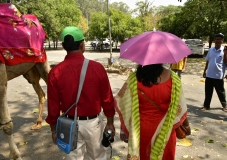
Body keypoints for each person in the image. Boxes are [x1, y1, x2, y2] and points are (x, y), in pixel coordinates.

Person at [45, 26, 115, 159]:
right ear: (82, 45)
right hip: (93, 125)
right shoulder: (97, 68)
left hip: (68, 125)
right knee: (98, 157)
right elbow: (107, 99)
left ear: (64, 46)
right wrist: (110, 123)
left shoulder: (55, 72)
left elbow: (53, 106)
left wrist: (54, 130)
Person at [114, 64, 191, 160]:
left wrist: (123, 129)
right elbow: (180, 107)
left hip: (140, 131)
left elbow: (125, 107)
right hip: (165, 131)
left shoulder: (133, 79)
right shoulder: (173, 79)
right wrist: (186, 125)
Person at [202, 33, 227, 112]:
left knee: (221, 92)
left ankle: (224, 105)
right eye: (217, 39)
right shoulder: (210, 50)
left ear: (222, 41)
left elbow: (226, 62)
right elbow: (208, 61)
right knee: (208, 91)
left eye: (220, 39)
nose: (218, 40)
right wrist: (204, 71)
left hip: (218, 75)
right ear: (214, 40)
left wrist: (226, 53)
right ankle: (206, 105)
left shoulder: (224, 51)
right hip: (209, 74)